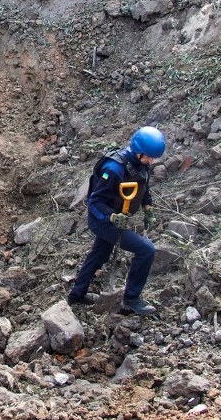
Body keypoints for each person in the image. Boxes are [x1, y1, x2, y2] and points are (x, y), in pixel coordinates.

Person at [67, 126, 166, 316]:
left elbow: (143, 188)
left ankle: (77, 294)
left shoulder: (140, 165)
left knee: (99, 254)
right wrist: (112, 217)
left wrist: (148, 209)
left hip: (117, 219)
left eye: (153, 158)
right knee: (146, 250)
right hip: (102, 221)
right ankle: (131, 299)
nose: (151, 161)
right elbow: (94, 202)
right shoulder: (113, 170)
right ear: (138, 152)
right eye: (149, 157)